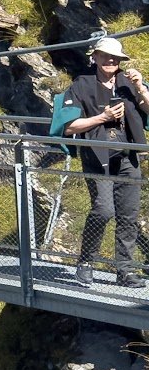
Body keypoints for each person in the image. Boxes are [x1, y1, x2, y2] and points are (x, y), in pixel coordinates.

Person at [67, 34, 148, 285]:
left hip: (127, 157)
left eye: (115, 57)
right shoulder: (81, 84)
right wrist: (103, 117)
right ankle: (85, 263)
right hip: (96, 155)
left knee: (128, 215)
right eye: (105, 56)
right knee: (103, 210)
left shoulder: (128, 82)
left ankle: (125, 271)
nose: (111, 61)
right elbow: (69, 126)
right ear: (95, 57)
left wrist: (141, 87)